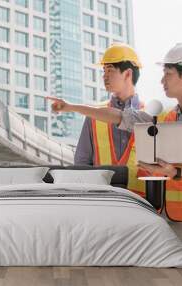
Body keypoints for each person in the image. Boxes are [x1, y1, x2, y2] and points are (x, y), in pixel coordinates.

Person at [49, 43, 182, 221]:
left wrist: (174, 172)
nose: (162, 80)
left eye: (168, 74)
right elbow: (121, 117)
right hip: (163, 217)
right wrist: (72, 107)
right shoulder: (162, 116)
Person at [47, 42, 147, 197]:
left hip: (140, 202)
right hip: (103, 201)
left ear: (127, 74)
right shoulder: (93, 116)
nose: (104, 76)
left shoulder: (149, 116)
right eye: (104, 71)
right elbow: (81, 163)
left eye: (110, 70)